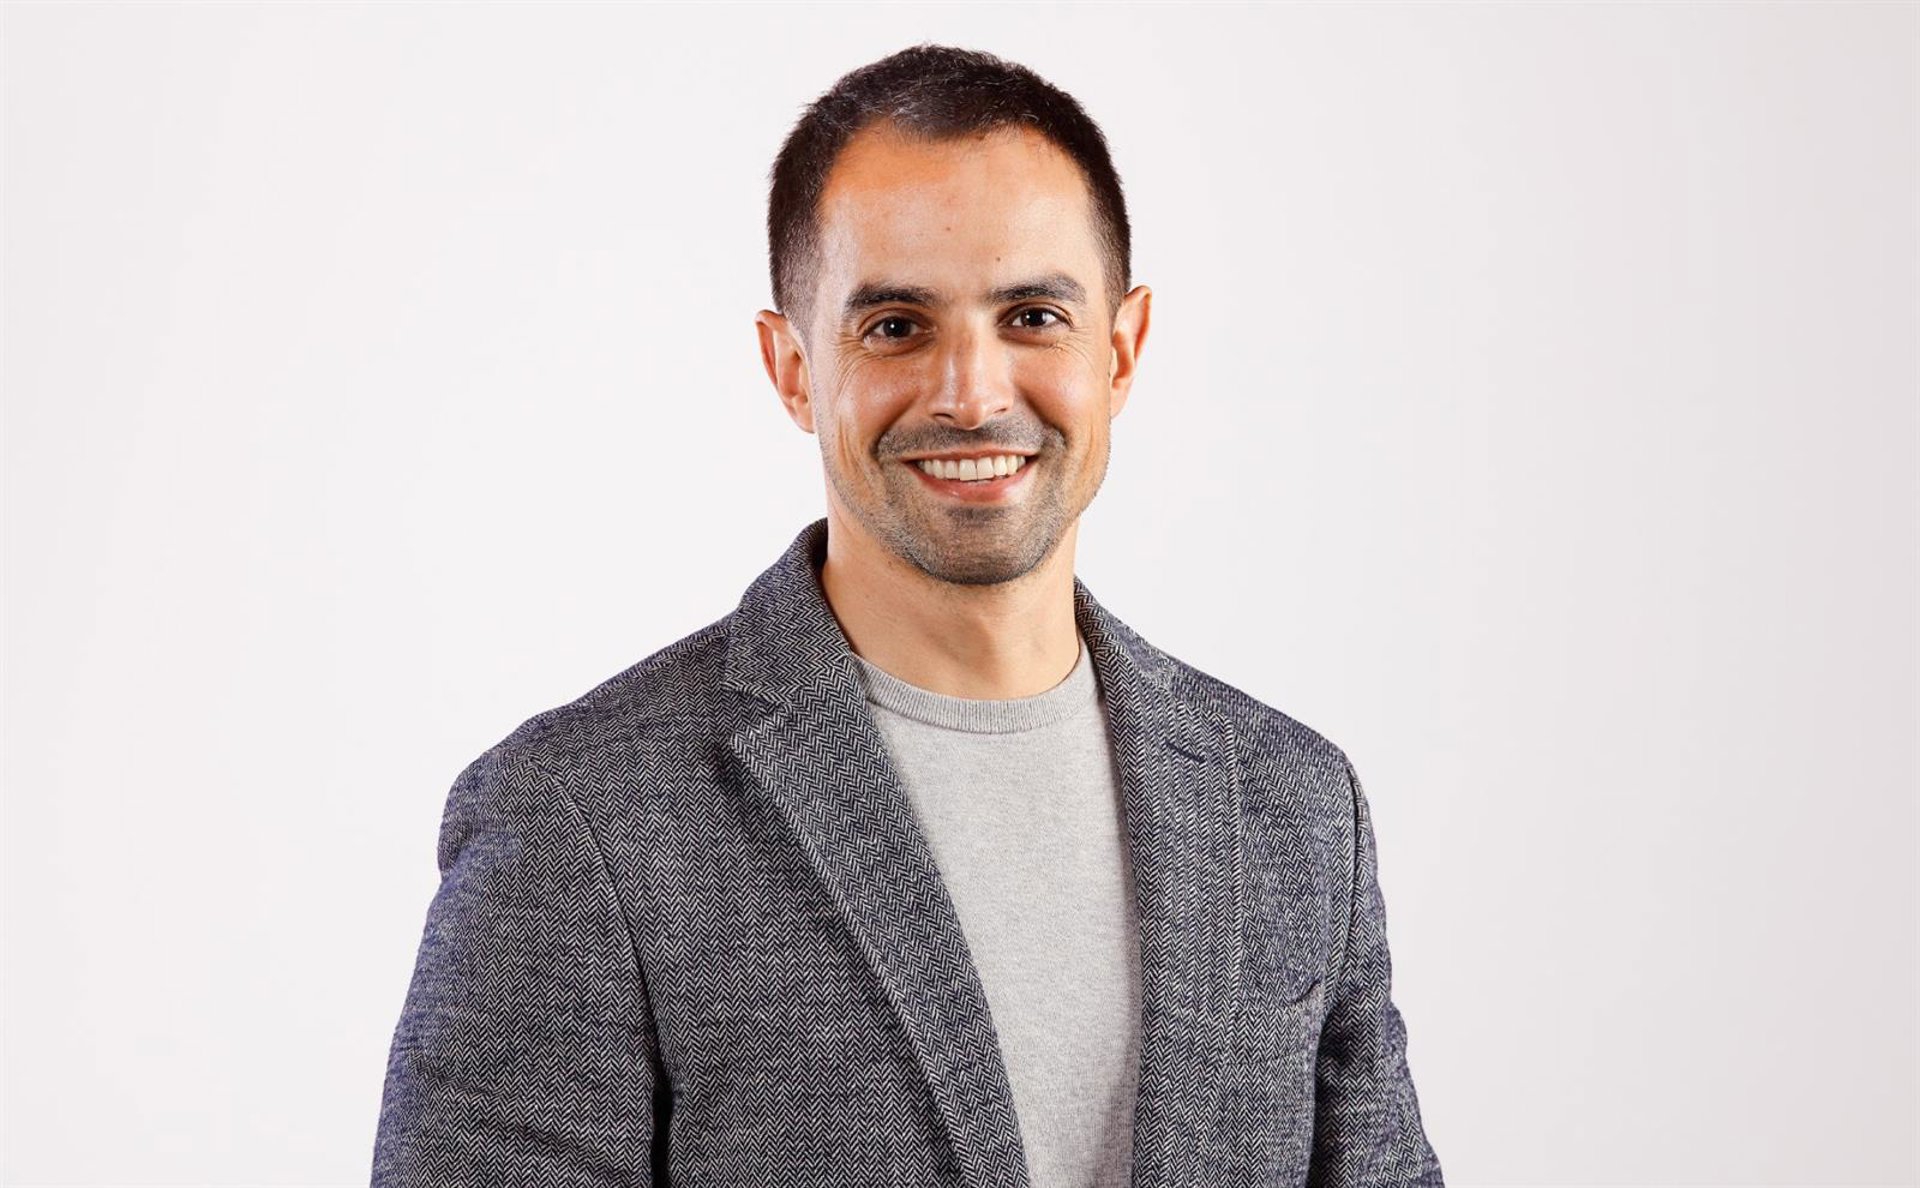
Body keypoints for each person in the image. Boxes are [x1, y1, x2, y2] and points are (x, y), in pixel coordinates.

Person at [371, 42, 1443, 1188]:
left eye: (1033, 315)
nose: (971, 395)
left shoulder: (1293, 805)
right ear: (792, 367)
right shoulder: (579, 819)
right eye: (895, 326)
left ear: (1121, 351)